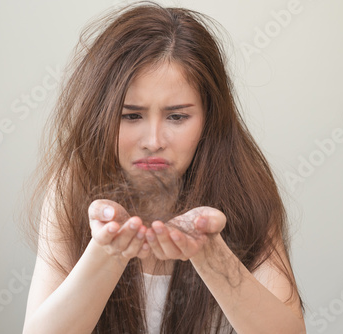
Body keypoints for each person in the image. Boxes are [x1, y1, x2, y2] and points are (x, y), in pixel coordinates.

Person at [22, 2, 306, 333]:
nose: (154, 140)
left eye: (177, 117)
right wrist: (106, 254)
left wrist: (211, 255)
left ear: (209, 117)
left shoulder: (244, 185)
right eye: (131, 116)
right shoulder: (72, 185)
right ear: (100, 115)